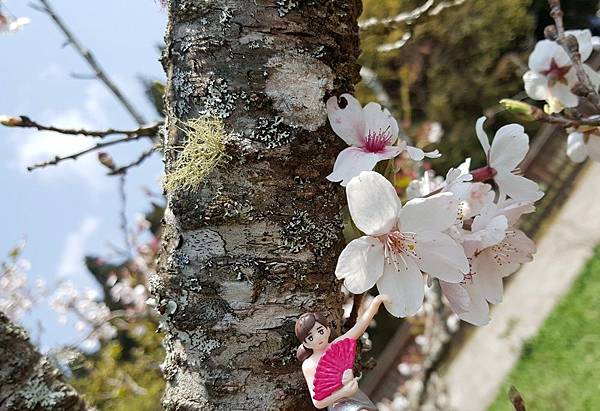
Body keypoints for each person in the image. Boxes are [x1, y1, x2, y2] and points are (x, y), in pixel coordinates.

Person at [295, 294, 391, 410]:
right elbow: (318, 403)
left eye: (320, 331)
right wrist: (343, 392)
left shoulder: (337, 345)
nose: (318, 338)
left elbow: (359, 327)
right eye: (310, 338)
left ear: (328, 329)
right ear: (305, 344)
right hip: (338, 404)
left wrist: (375, 304)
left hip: (355, 394)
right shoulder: (309, 365)